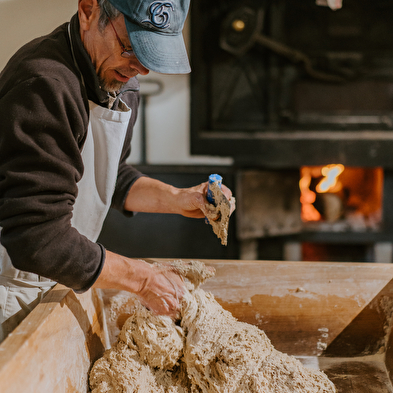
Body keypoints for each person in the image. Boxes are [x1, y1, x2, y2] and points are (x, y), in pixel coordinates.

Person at [0, 0, 234, 342]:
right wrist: (144, 279)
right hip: (12, 287)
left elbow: (110, 176)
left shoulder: (120, 82)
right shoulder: (44, 85)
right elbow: (38, 239)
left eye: (152, 55)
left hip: (60, 280)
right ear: (88, 10)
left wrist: (179, 198)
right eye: (130, 47)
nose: (140, 68)